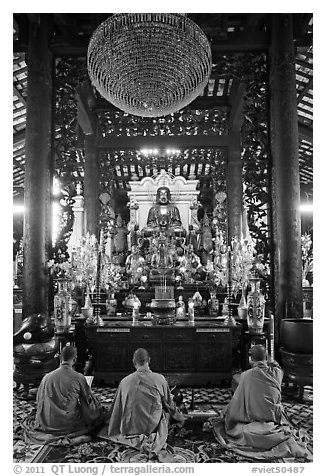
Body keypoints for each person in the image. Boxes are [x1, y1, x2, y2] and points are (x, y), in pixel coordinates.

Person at [211, 345, 312, 460]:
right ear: (266, 357)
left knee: (236, 425)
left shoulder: (246, 376)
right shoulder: (277, 373)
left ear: (251, 358)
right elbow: (276, 365)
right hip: (273, 417)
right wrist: (267, 358)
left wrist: (227, 412)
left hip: (253, 418)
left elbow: (236, 403)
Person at [98, 348, 187, 462]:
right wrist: (180, 416)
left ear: (133, 362)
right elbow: (171, 406)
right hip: (150, 427)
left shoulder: (124, 381)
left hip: (128, 427)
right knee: (172, 400)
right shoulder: (159, 379)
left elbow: (117, 408)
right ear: (149, 360)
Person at [24, 345, 108, 444]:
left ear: (60, 357)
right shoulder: (78, 377)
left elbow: (39, 400)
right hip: (69, 424)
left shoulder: (47, 377)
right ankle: (77, 436)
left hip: (47, 423)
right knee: (97, 408)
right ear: (75, 359)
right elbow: (87, 400)